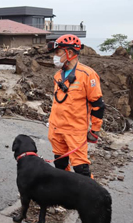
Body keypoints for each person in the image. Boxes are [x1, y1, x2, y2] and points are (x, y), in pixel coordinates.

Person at [47, 34, 105, 178]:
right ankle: (65, 194)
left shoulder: (87, 75)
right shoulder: (57, 76)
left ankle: (90, 198)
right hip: (56, 129)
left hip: (75, 131)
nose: (55, 56)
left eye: (58, 52)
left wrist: (95, 130)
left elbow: (98, 105)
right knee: (60, 165)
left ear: (70, 53)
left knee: (81, 169)